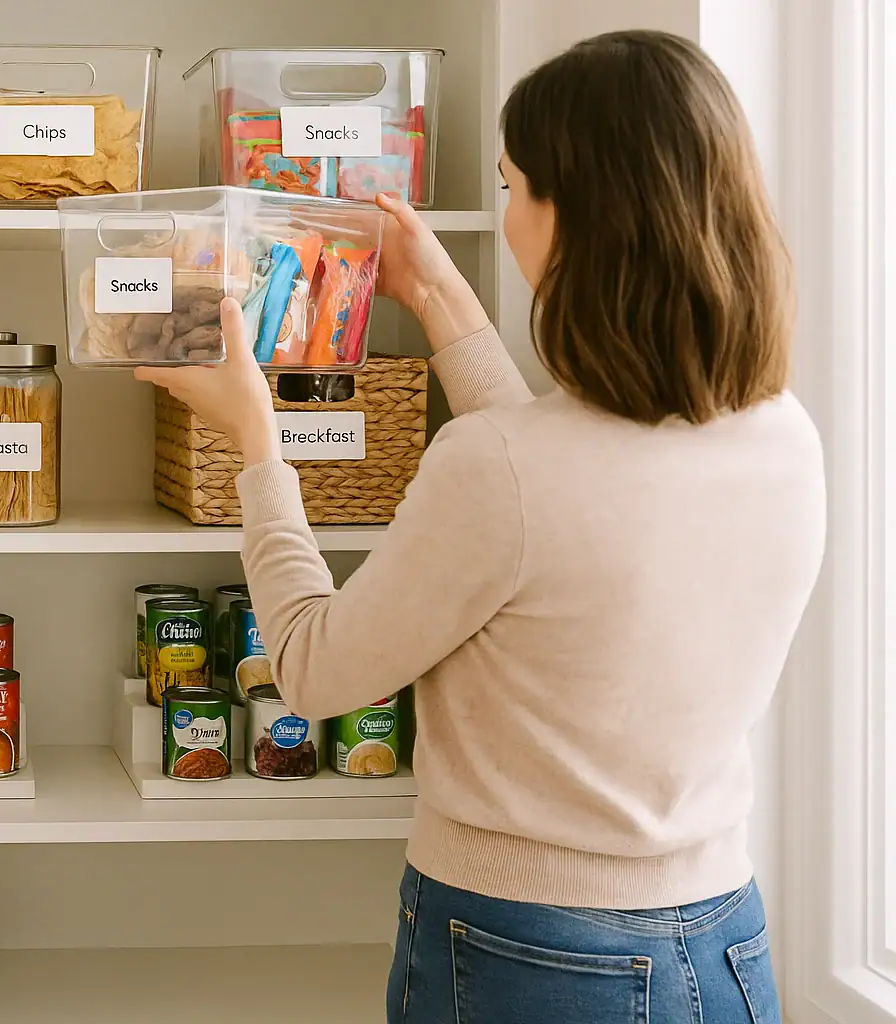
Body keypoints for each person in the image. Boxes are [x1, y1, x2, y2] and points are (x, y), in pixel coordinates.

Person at [137, 30, 823, 1024]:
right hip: (723, 943)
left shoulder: (503, 469)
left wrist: (256, 435)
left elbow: (317, 669)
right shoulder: (783, 436)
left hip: (529, 952)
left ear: (574, 214)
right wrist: (440, 297)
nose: (504, 217)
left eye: (510, 188)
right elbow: (560, 505)